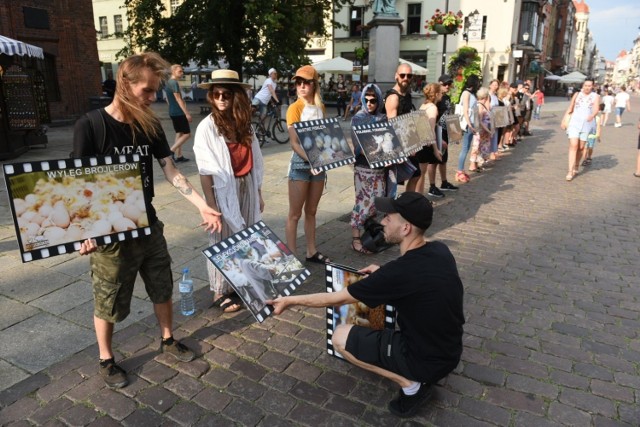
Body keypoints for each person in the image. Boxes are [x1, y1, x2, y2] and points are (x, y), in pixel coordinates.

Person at [72, 52, 222, 389]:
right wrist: (84, 232)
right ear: (125, 84)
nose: (154, 98)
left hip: (148, 223)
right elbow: (77, 184)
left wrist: (200, 204)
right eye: (148, 90)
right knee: (108, 295)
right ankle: (106, 358)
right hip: (109, 230)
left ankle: (168, 339)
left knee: (161, 283)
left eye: (156, 91)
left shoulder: (149, 124)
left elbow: (169, 167)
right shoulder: (91, 125)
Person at [269, 192, 465, 418]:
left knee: (339, 338)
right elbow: (417, 281)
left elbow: (336, 298)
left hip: (427, 362)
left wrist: (289, 300)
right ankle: (417, 373)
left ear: (406, 228)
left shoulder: (398, 273)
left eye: (389, 218)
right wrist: (383, 275)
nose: (382, 222)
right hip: (450, 351)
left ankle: (412, 386)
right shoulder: (439, 250)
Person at [193, 69, 265, 312]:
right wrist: (210, 205)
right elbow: (205, 170)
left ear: (236, 96)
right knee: (221, 239)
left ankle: (238, 284)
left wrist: (259, 193)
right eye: (216, 94)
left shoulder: (245, 125)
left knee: (246, 236)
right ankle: (217, 292)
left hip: (246, 184)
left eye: (226, 94)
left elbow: (256, 159)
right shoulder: (207, 127)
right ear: (211, 97)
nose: (221, 98)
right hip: (223, 189)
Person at [286, 65, 331, 264]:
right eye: (298, 82)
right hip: (301, 165)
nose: (302, 86)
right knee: (295, 214)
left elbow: (324, 139)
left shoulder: (320, 108)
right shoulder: (294, 108)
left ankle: (311, 251)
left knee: (311, 211)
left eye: (306, 82)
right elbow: (295, 143)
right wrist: (312, 159)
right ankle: (291, 257)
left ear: (314, 85)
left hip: (318, 164)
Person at [350, 83, 387, 254]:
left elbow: (388, 143)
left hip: (379, 168)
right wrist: (374, 149)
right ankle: (356, 238)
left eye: (373, 100)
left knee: (376, 201)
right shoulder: (358, 118)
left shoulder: (382, 118)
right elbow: (358, 146)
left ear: (379, 100)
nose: (370, 103)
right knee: (363, 202)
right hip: (363, 167)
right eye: (366, 100)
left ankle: (369, 236)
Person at [561, 76, 600, 181]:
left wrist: (592, 115)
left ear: (593, 86)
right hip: (574, 123)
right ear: (583, 85)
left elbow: (596, 109)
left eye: (589, 86)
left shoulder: (595, 96)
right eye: (586, 85)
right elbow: (570, 107)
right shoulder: (577, 94)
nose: (587, 87)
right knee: (573, 145)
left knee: (581, 147)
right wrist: (564, 119)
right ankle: (570, 170)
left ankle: (577, 164)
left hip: (587, 124)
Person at [429, 74, 459, 191]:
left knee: (443, 159)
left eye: (449, 84)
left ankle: (444, 182)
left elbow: (448, 115)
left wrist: (454, 131)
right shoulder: (435, 99)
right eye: (445, 84)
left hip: (445, 131)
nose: (447, 86)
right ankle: (432, 186)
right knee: (434, 160)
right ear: (439, 83)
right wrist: (437, 137)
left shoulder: (446, 98)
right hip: (437, 131)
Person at [412, 83, 442, 197]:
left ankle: (417, 197)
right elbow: (430, 131)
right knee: (421, 174)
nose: (442, 96)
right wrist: (436, 150)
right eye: (441, 93)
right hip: (424, 144)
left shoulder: (423, 105)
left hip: (419, 141)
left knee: (419, 173)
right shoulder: (433, 108)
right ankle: (419, 198)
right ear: (437, 94)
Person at [164, 64, 193, 162]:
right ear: (173, 72)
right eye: (179, 71)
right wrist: (187, 113)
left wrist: (171, 107)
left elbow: (167, 99)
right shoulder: (174, 83)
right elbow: (179, 99)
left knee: (179, 133)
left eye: (182, 71)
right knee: (187, 134)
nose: (182, 73)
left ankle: (179, 156)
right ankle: (171, 151)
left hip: (172, 112)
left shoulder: (168, 82)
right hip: (179, 112)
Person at [455, 75, 480, 182]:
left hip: (472, 123)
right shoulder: (466, 93)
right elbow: (465, 111)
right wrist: (470, 125)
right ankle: (459, 171)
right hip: (468, 124)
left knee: (467, 148)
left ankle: (461, 170)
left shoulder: (471, 93)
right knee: (465, 148)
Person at [468, 87, 493, 172]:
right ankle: (472, 165)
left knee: (479, 147)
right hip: (480, 131)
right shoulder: (480, 106)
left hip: (483, 131)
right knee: (476, 147)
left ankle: (476, 164)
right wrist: (487, 130)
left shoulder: (481, 105)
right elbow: (480, 120)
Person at [581, 103, 604, 167]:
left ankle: (589, 156)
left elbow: (598, 128)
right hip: (585, 134)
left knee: (590, 147)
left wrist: (598, 136)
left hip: (592, 135)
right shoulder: (586, 117)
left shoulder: (597, 118)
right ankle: (584, 159)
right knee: (585, 148)